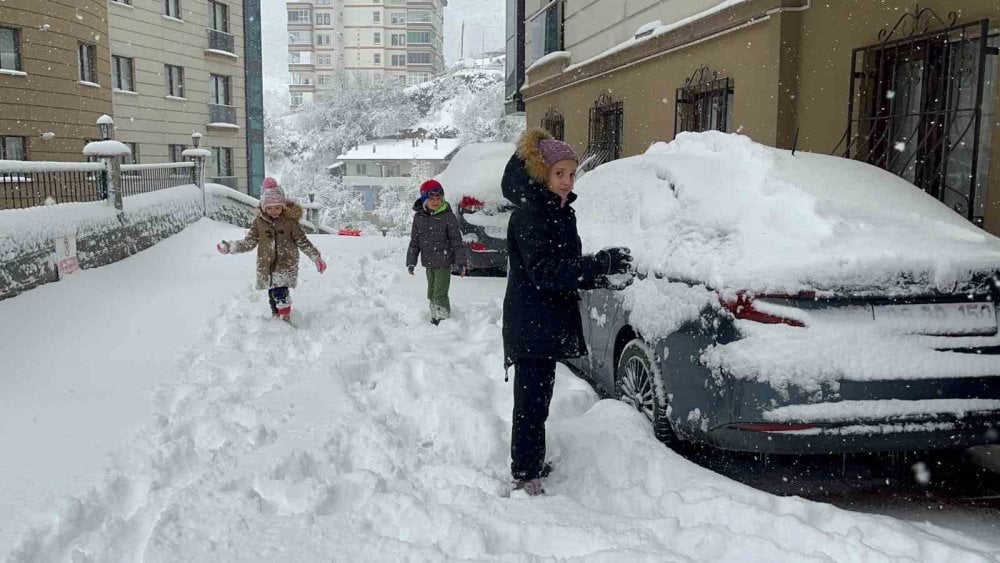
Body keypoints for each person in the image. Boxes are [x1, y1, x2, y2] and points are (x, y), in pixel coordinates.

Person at [502, 128, 634, 496]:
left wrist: (599, 276)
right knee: (530, 403)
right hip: (530, 322)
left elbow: (565, 265)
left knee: (539, 400)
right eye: (559, 173)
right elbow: (545, 272)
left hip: (543, 320)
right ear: (542, 173)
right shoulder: (530, 215)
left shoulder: (558, 211)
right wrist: (599, 264)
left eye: (571, 173)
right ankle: (524, 472)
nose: (566, 181)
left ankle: (530, 460)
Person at [216, 177, 327, 321]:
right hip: (266, 265)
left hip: (285, 263)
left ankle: (285, 316)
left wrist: (316, 257)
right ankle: (276, 316)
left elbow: (302, 241)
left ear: (283, 206)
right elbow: (249, 241)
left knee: (281, 291)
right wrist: (231, 247)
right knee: (272, 294)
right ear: (263, 207)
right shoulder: (259, 222)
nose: (273, 211)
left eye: (277, 207)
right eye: (269, 208)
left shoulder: (290, 223)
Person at [406, 178, 468, 325]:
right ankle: (435, 315)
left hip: (443, 262)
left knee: (440, 292)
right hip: (428, 263)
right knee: (432, 292)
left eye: (438, 198)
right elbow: (414, 242)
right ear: (424, 200)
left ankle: (443, 319)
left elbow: (456, 242)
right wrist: (411, 261)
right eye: (431, 198)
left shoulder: (447, 216)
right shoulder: (419, 218)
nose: (435, 201)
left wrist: (461, 262)